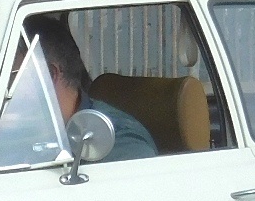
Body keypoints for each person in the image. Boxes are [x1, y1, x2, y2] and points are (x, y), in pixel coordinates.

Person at [22, 14, 158, 163]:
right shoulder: (31, 133)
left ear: (48, 75)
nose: (3, 91)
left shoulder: (120, 143)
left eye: (12, 78)